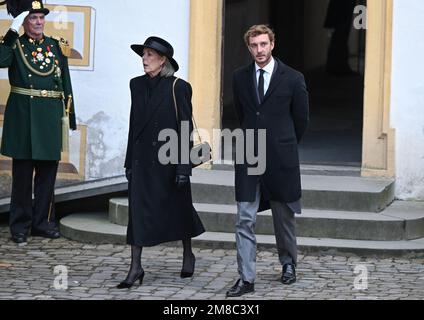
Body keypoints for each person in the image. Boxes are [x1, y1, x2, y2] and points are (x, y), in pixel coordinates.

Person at [226, 25, 309, 297]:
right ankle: (246, 279)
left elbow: (301, 120)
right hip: (250, 153)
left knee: (283, 217)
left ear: (272, 44)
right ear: (248, 47)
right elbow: (242, 113)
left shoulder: (293, 78)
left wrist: (282, 144)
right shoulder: (239, 78)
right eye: (254, 46)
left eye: (263, 44)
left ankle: (288, 264)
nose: (259, 50)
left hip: (281, 157)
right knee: (244, 218)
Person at [118, 36, 205, 289]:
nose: (144, 59)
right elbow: (134, 126)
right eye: (143, 54)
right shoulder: (136, 85)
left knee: (179, 209)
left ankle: (188, 253)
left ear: (163, 60)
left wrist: (183, 167)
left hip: (170, 160)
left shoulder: (179, 87)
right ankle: (136, 266)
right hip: (142, 160)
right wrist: (128, 162)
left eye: (149, 55)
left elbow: (185, 127)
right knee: (137, 213)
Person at [0, 0, 76, 245]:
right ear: (24, 21)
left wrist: (69, 119)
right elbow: (1, 60)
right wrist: (10, 31)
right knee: (22, 176)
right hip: (24, 117)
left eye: (41, 17)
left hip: (50, 117)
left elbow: (65, 81)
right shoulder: (15, 45)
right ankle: (20, 225)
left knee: (47, 175)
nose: (39, 22)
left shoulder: (55, 46)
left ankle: (42, 222)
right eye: (33, 18)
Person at [324, 0, 357, 76]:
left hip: (341, 10)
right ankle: (338, 66)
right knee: (340, 37)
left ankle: (336, 65)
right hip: (342, 10)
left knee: (339, 37)